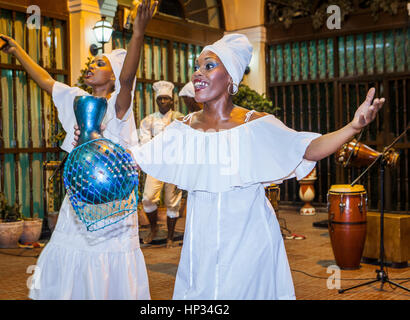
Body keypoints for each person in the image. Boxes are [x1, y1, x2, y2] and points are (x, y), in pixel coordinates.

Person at [75, 33, 384, 299]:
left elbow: (309, 148)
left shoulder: (257, 124)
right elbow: (134, 157)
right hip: (201, 246)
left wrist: (353, 127)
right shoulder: (182, 129)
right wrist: (94, 140)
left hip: (252, 241)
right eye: (196, 67)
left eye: (209, 66)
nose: (198, 73)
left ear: (231, 77)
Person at [0, 0, 158, 299]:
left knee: (109, 258)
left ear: (113, 76)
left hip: (113, 202)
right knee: (70, 247)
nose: (91, 65)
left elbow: (127, 80)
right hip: (79, 197)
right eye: (92, 62)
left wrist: (138, 32)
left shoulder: (118, 107)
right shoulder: (76, 100)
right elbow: (46, 81)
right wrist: (18, 51)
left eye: (101, 64)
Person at [139, 80, 184, 248]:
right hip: (156, 165)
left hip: (174, 165)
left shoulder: (180, 118)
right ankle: (153, 228)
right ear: (156, 101)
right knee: (148, 198)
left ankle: (170, 237)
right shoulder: (148, 120)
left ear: (172, 100)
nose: (163, 102)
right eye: (160, 99)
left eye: (166, 98)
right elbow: (144, 142)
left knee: (173, 202)